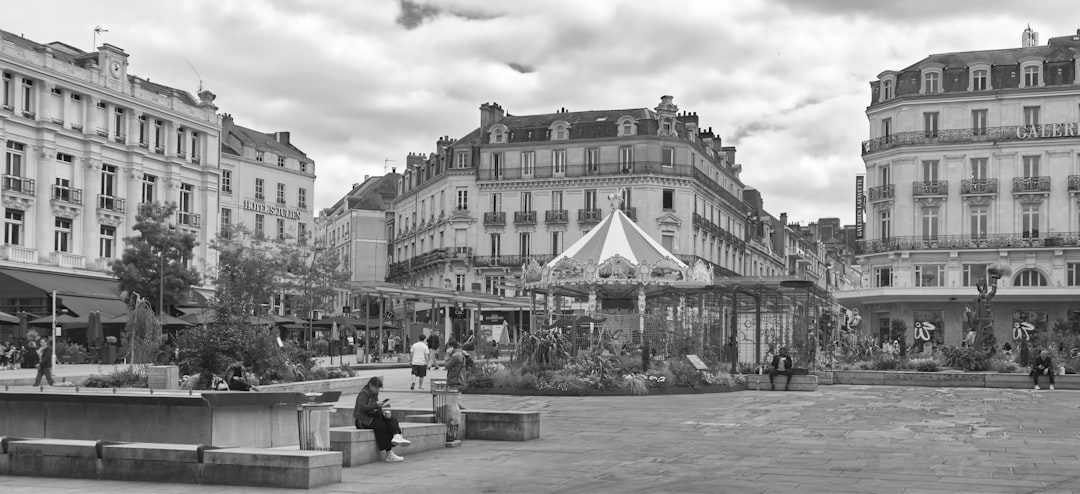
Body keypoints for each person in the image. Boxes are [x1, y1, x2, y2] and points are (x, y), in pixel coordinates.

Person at [353, 376, 411, 462]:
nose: (378, 390)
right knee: (383, 426)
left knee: (392, 419)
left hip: (372, 417)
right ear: (370, 385)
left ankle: (397, 435)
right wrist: (376, 405)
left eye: (379, 388)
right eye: (376, 387)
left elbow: (375, 408)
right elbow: (361, 408)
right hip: (362, 420)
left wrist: (384, 411)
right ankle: (389, 453)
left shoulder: (374, 394)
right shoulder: (364, 394)